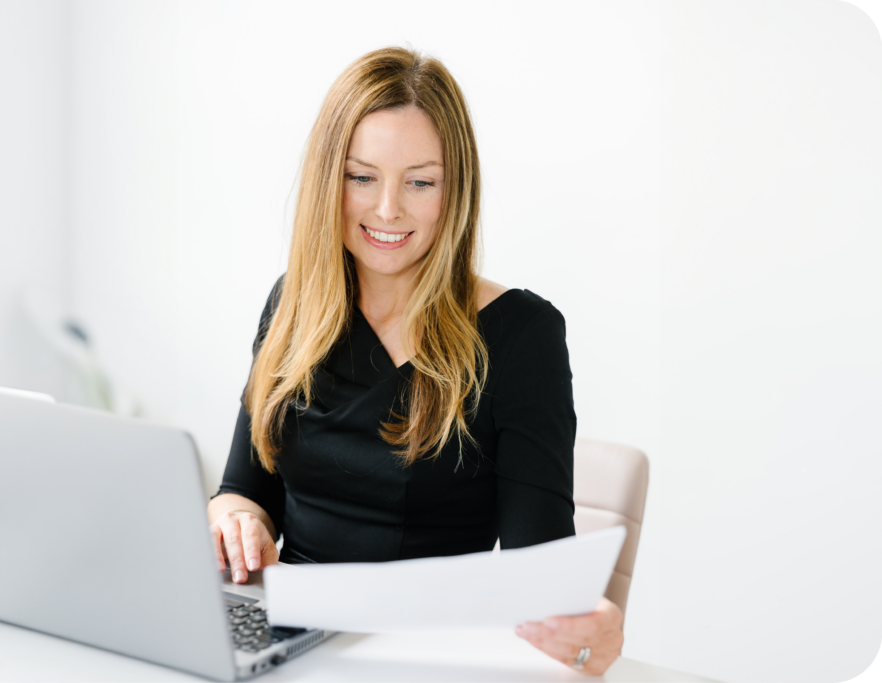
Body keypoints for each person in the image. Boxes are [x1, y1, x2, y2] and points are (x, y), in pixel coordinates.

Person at [207, 47, 624, 675]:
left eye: (420, 182)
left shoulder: (520, 335)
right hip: (287, 642)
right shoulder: (295, 302)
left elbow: (542, 577)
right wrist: (237, 521)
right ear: (330, 180)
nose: (387, 210)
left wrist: (592, 630)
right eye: (361, 177)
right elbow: (242, 491)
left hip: (423, 654)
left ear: (454, 190)